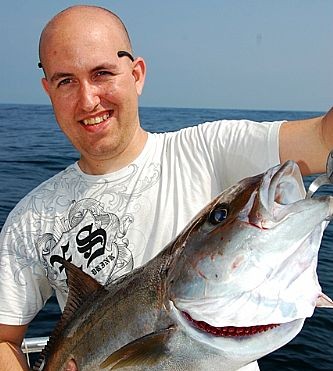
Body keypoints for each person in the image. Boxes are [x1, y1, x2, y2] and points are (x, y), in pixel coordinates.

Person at [0, 5, 332, 371]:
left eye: (102, 73)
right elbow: (4, 339)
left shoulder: (209, 149)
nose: (88, 99)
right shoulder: (29, 219)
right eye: (65, 81)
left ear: (137, 74)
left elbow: (322, 138)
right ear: (48, 90)